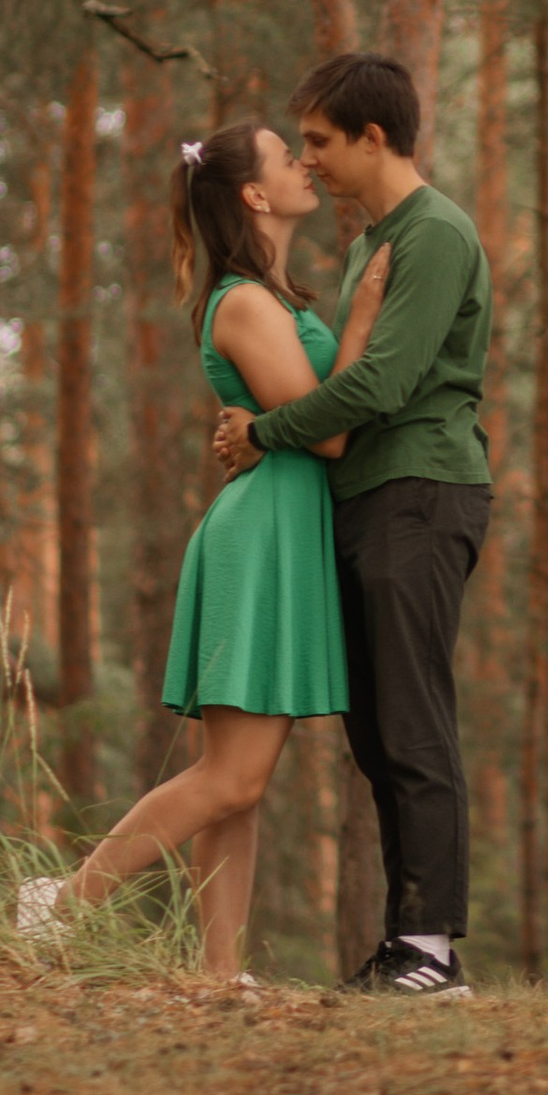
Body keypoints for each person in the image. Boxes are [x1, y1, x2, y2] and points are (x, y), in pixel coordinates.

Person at [17, 121, 387, 985]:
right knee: (232, 779)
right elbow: (329, 433)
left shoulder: (273, 297)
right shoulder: (247, 302)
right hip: (261, 541)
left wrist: (265, 424)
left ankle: (221, 974)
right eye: (285, 156)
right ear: (254, 194)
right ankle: (62, 903)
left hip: (282, 532)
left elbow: (296, 414)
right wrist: (364, 318)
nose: (304, 164)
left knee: (235, 780)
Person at [212, 49, 491, 999]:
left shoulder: (433, 232)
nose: (310, 159)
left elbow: (382, 384)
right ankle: (408, 942)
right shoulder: (380, 240)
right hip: (373, 498)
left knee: (413, 724)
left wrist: (264, 431)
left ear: (374, 138)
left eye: (321, 141)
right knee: (378, 734)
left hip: (422, 491)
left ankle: (432, 950)